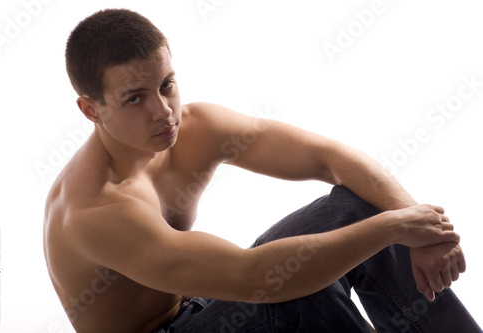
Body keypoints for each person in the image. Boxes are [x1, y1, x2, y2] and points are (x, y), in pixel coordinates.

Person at [43, 8, 481, 333]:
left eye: (167, 85)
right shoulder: (93, 209)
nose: (163, 112)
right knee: (291, 293)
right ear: (90, 109)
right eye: (134, 98)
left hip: (206, 305)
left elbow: (330, 157)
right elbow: (252, 278)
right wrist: (394, 227)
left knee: (355, 207)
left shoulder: (197, 127)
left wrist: (425, 233)